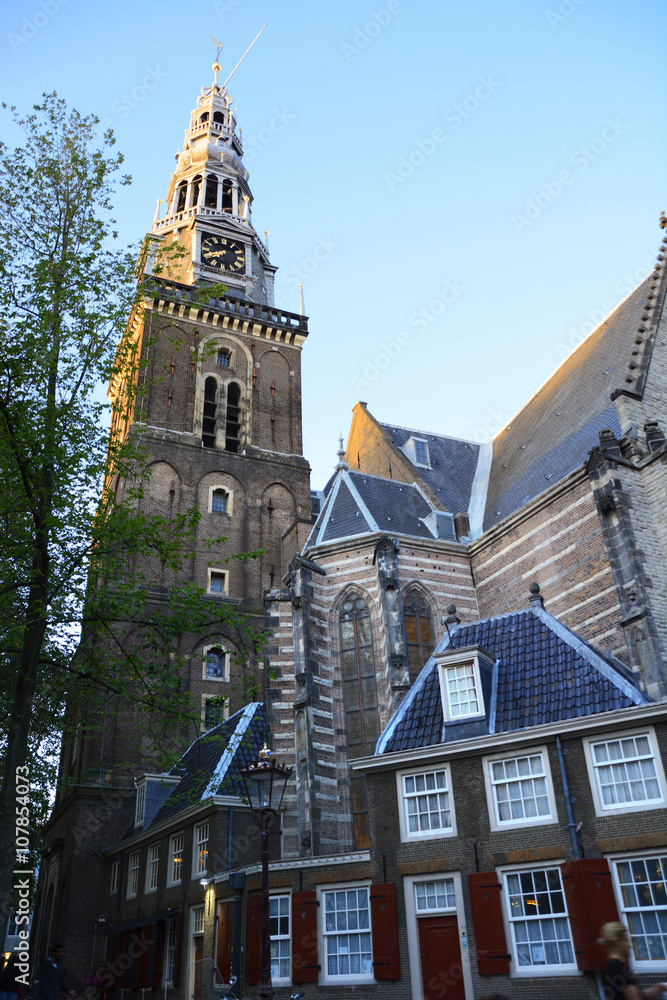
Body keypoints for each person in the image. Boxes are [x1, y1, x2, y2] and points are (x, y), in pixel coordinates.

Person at [600, 921, 667, 1000]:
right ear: (618, 942)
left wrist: (660, 987)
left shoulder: (610, 966)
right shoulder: (617, 967)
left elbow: (635, 995)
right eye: (626, 940)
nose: (630, 946)